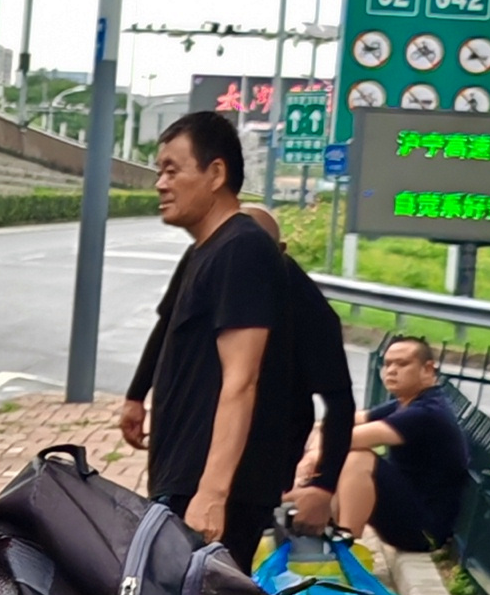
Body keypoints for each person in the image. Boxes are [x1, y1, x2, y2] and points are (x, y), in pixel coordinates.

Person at [117, 109, 285, 554]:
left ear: (215, 173)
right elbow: (168, 330)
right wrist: (138, 395)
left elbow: (241, 380)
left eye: (172, 170)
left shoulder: (242, 249)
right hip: (183, 476)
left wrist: (212, 493)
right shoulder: (208, 250)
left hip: (205, 490)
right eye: (159, 171)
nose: (160, 183)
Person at [236, 204, 356, 535]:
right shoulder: (212, 280)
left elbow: (340, 403)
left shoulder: (307, 310)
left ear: (280, 251)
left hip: (263, 458)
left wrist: (323, 485)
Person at [336, 333, 474, 551]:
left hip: (425, 532)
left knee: (358, 458)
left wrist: (313, 454)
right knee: (335, 457)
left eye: (402, 364)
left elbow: (348, 439)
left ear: (427, 369)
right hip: (407, 514)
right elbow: (342, 423)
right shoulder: (405, 403)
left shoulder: (427, 412)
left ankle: (342, 546)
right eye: (388, 363)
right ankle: (315, 535)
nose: (391, 370)